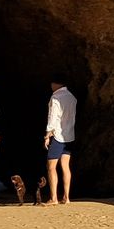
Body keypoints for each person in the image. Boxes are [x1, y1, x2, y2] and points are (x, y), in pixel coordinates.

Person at [43, 77, 77, 206]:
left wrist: (47, 135)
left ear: (56, 83)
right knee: (65, 166)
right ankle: (66, 197)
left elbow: (53, 117)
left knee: (51, 167)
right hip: (70, 135)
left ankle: (54, 198)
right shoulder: (72, 97)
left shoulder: (56, 98)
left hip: (57, 136)